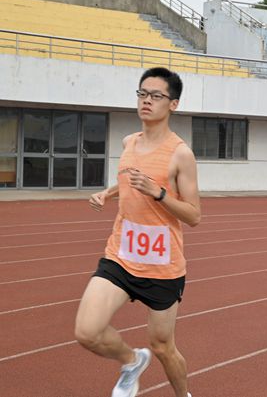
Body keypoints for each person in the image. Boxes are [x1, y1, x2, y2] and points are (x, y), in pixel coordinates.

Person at [74, 67, 200, 397]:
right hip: (121, 256)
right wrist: (108, 192)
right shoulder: (129, 142)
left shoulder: (180, 154)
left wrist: (159, 193)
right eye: (142, 94)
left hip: (162, 267)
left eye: (156, 96)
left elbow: (194, 215)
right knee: (87, 331)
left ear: (173, 104)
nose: (146, 101)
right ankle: (131, 361)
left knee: (162, 346)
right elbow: (131, 178)